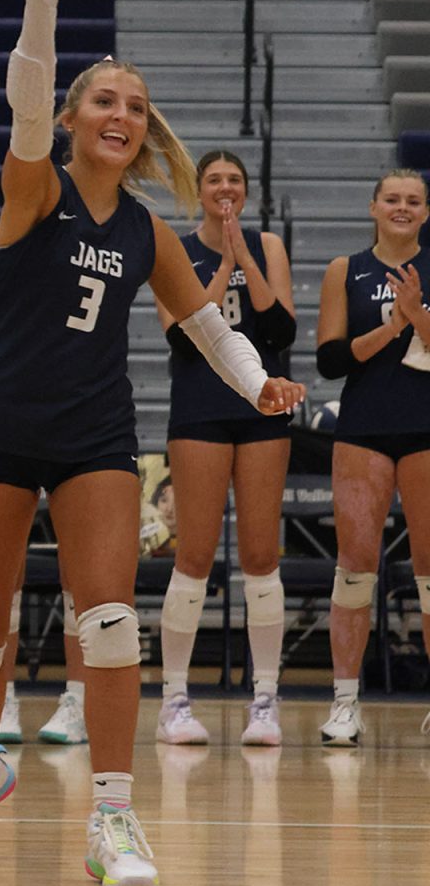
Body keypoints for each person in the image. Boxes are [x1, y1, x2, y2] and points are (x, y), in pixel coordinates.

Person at [0, 0, 304, 886]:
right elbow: (25, 97)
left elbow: (204, 325)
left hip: (93, 436)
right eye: (102, 101)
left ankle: (113, 819)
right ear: (73, 121)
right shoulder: (33, 189)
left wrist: (255, 383)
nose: (119, 115)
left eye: (133, 103)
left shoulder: (147, 232)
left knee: (108, 619)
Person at [155, 151, 297, 747]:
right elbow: (183, 333)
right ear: (200, 189)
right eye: (214, 179)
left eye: (234, 179)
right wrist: (219, 264)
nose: (225, 187)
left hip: (263, 408)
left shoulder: (268, 247)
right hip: (199, 410)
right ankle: (174, 700)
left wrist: (244, 255)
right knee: (194, 554)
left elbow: (281, 330)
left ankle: (265, 699)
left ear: (247, 188)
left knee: (262, 554)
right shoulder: (176, 251)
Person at [316, 168, 430, 746]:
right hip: (363, 429)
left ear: (426, 213)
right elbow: (331, 360)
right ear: (373, 207)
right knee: (355, 566)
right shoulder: (346, 270)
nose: (402, 208)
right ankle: (344, 703)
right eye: (393, 199)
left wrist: (421, 316)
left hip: (426, 431)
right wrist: (394, 324)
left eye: (413, 201)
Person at [0, 282, 88, 746]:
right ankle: (4, 696)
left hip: (73, 430)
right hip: (9, 433)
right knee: (4, 574)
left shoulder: (79, 281)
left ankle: (77, 700)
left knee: (79, 570)